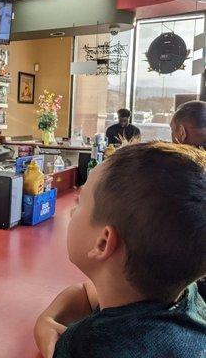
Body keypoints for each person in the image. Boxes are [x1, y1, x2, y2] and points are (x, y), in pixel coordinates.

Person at [34, 142, 206, 358]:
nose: (70, 212)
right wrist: (47, 321)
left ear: (103, 242)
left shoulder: (93, 345)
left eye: (80, 202)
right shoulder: (185, 296)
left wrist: (49, 337)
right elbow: (87, 294)